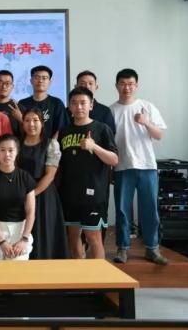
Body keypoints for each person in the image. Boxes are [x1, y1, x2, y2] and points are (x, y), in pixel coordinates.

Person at [110, 68, 168, 265]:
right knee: (122, 210)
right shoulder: (111, 111)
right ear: (116, 86)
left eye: (131, 84)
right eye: (123, 84)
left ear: (136, 85)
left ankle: (152, 248)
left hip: (147, 166)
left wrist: (146, 122)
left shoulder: (147, 106)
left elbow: (159, 135)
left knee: (150, 208)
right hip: (122, 167)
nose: (127, 88)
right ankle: (122, 248)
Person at [58, 87, 118, 260]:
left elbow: (114, 159)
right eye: (74, 103)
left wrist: (94, 147)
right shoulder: (64, 131)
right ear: (69, 106)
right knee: (73, 237)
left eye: (83, 103)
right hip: (69, 194)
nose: (79, 107)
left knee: (93, 238)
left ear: (91, 105)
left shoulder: (102, 128)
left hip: (94, 194)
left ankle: (98, 275)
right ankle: (80, 274)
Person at [17, 108, 68, 259]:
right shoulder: (16, 144)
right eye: (27, 120)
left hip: (44, 194)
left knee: (45, 233)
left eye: (35, 120)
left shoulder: (51, 144)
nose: (31, 124)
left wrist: (32, 195)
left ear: (42, 123)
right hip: (21, 194)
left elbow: (50, 175)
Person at [0, 134, 35, 261]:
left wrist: (24, 238)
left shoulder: (25, 178)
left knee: (18, 270)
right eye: (2, 150)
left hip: (20, 230)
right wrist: (1, 241)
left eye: (11, 150)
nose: (7, 154)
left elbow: (31, 211)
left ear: (17, 152)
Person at [18, 65, 69, 139]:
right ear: (31, 81)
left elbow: (61, 128)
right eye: (37, 77)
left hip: (51, 144)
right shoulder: (22, 103)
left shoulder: (57, 103)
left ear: (50, 82)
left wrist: (52, 144)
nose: (40, 81)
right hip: (27, 144)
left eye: (44, 78)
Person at [0, 70, 22, 137]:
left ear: (12, 86)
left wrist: (21, 119)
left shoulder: (19, 108)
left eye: (7, 83)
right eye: (0, 82)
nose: (4, 86)